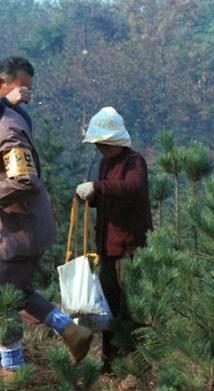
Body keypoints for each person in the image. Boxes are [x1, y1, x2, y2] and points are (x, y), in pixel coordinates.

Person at [0, 57, 92, 379]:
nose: (25, 95)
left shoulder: (7, 127)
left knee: (3, 299)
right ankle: (71, 332)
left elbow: (24, 180)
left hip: (18, 232)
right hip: (20, 230)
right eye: (21, 88)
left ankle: (13, 371)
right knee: (18, 291)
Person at [74, 107, 152, 372]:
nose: (100, 149)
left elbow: (134, 188)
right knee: (108, 309)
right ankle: (109, 365)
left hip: (128, 248)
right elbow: (110, 195)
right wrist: (93, 197)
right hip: (107, 247)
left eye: (102, 144)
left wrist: (97, 187)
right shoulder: (106, 163)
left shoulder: (134, 162)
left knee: (128, 310)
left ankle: (133, 366)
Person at [0, 56, 33, 130]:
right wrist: (6, 101)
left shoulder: (22, 118)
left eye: (27, 91)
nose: (23, 97)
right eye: (20, 90)